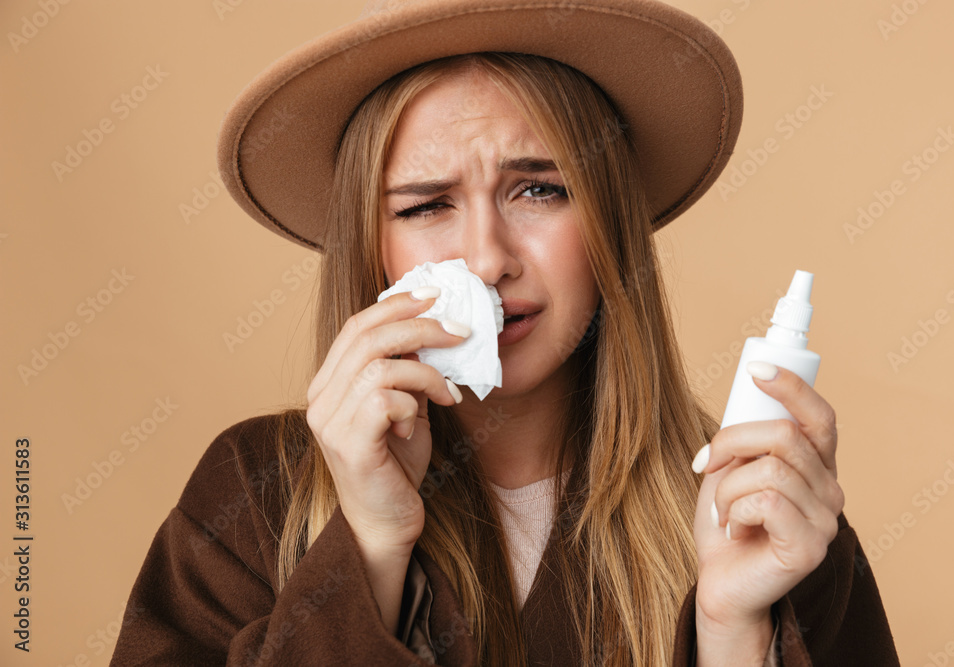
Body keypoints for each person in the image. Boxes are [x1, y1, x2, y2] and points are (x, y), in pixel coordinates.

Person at [110, 1, 901, 665]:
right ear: (370, 248)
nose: (487, 259)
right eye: (425, 205)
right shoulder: (251, 496)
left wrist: (733, 632)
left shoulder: (766, 519)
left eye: (538, 189)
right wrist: (370, 545)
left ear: (609, 226)